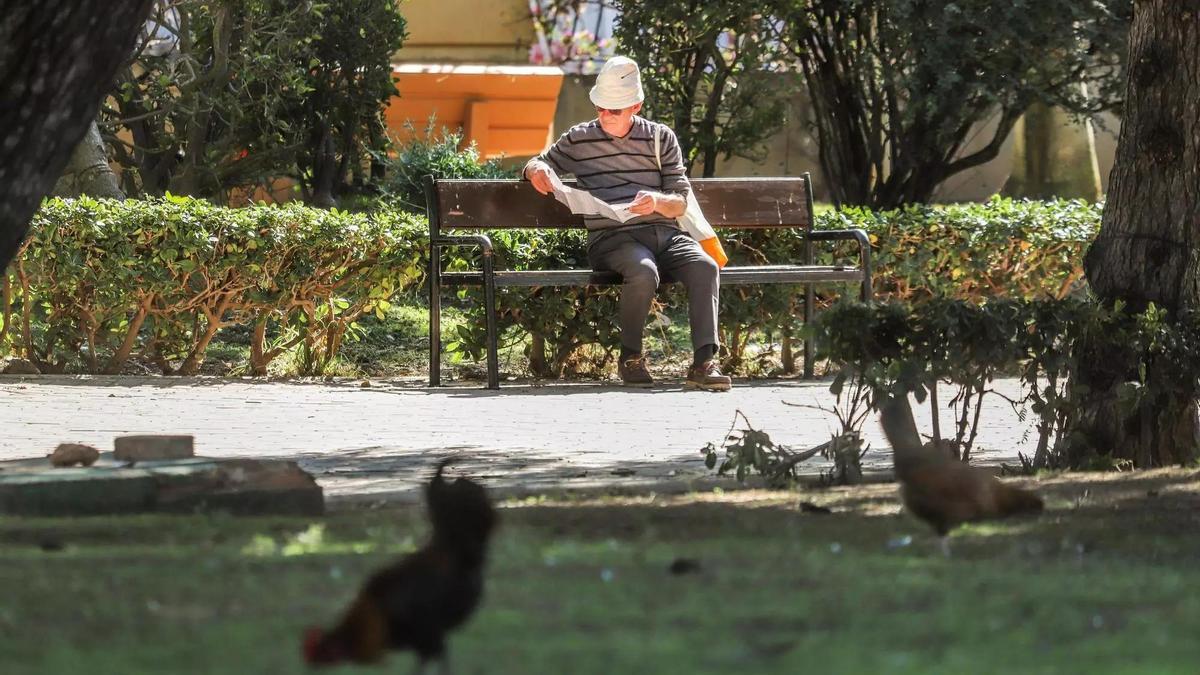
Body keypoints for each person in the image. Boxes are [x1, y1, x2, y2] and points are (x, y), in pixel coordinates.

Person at [523, 56, 731, 391]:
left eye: (614, 110)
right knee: (643, 270)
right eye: (600, 107)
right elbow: (538, 161)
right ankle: (631, 358)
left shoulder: (661, 139)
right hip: (612, 239)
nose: (605, 115)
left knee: (705, 266)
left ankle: (704, 364)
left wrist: (659, 201)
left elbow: (680, 199)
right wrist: (537, 170)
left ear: (636, 106)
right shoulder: (579, 139)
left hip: (665, 233)